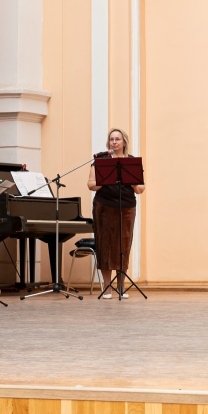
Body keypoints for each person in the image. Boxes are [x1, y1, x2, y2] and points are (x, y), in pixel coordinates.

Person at [87, 127, 145, 299]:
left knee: (123, 245)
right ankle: (107, 287)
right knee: (104, 245)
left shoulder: (132, 162)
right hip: (104, 207)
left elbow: (140, 189)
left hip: (126, 208)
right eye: (111, 139)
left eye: (117, 139)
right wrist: (106, 180)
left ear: (124, 142)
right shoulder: (101, 160)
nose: (114, 142)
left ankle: (121, 287)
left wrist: (131, 181)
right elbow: (91, 185)